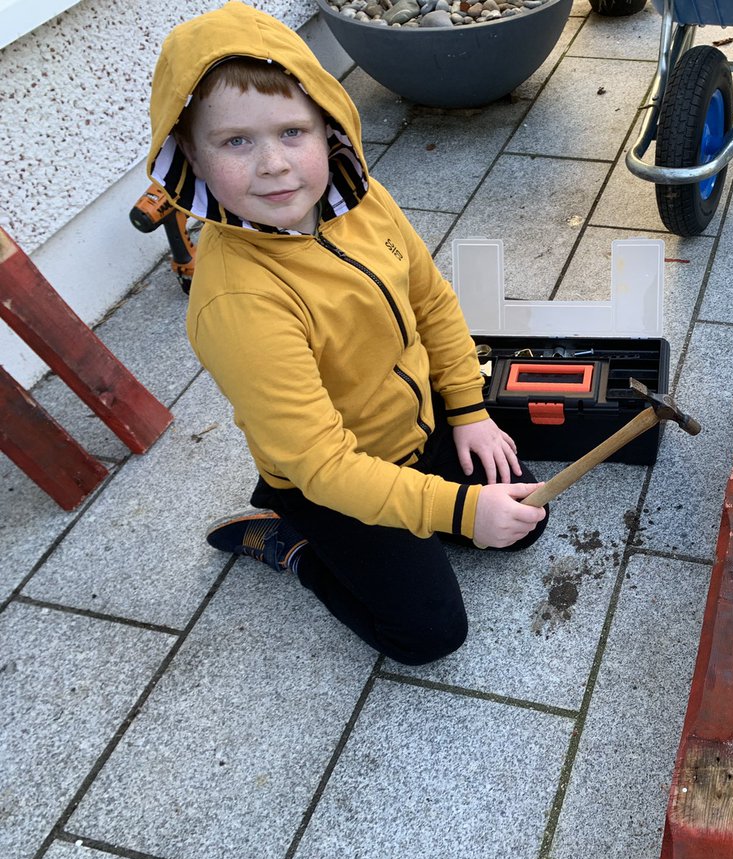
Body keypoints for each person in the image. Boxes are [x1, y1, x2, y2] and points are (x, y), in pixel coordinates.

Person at [147, 1, 548, 665]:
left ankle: (418, 509)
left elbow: (432, 301)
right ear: (190, 152)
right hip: (327, 479)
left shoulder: (362, 200)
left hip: (416, 426)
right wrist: (457, 511)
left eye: (292, 132)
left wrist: (469, 412)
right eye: (236, 141)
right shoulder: (238, 301)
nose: (274, 165)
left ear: (327, 124)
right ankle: (294, 544)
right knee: (428, 635)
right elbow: (323, 464)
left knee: (528, 519)